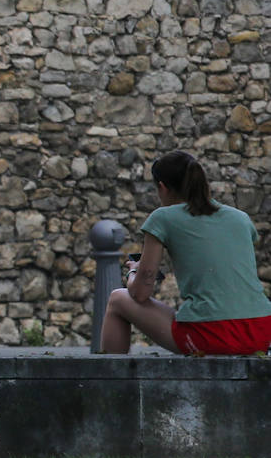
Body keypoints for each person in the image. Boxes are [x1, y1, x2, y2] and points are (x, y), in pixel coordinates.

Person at [100, 151, 271, 355]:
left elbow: (139, 293)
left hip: (212, 335)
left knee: (118, 299)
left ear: (162, 187)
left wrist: (133, 273)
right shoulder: (241, 218)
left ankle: (111, 381)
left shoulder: (162, 218)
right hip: (261, 332)